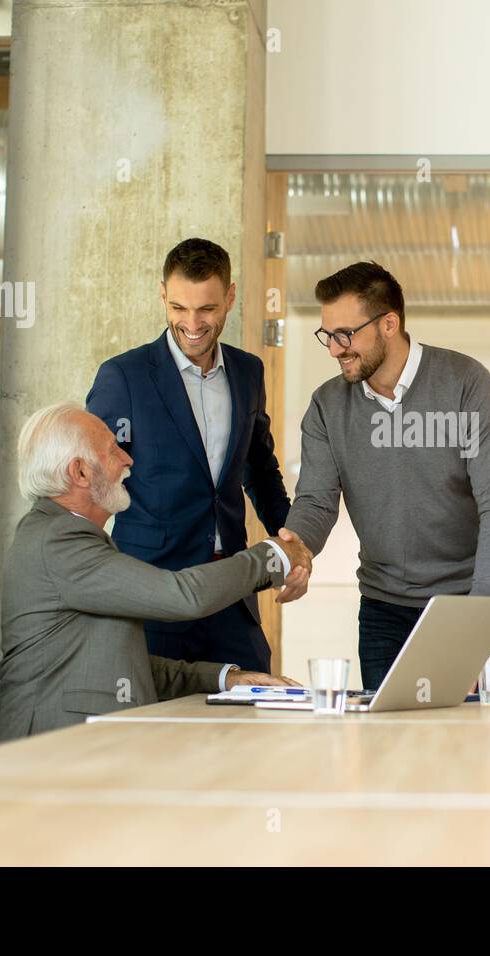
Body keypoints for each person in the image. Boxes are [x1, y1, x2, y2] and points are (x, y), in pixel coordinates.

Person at [0, 402, 306, 744]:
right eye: (112, 450)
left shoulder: (64, 536)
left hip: (75, 742)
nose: (128, 459)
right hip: (48, 749)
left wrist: (227, 678)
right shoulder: (59, 540)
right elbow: (184, 595)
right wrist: (273, 556)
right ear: (79, 473)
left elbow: (125, 664)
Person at [278, 261, 490, 689]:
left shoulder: (465, 383)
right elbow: (316, 501)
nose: (334, 349)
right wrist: (298, 547)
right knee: (392, 750)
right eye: (327, 336)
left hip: (471, 601)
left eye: (345, 335)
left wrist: (477, 618)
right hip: (384, 613)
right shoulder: (327, 406)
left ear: (388, 323)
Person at [86, 238, 292, 673]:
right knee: (157, 734)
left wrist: (290, 545)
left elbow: (260, 468)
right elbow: (93, 482)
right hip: (153, 597)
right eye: (178, 307)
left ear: (230, 297)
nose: (192, 323)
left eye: (207, 309)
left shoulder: (249, 372)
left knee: (253, 714)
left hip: (230, 591)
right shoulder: (123, 376)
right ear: (163, 294)